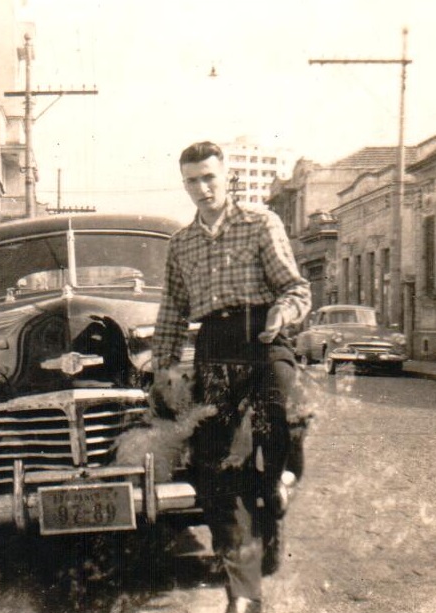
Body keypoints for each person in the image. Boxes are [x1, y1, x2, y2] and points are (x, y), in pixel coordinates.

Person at [151, 141, 311, 613]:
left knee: (284, 411)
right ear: (184, 185)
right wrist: (162, 369)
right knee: (219, 468)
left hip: (263, 337)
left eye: (209, 178)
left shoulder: (262, 223)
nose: (202, 188)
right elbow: (172, 313)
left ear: (226, 178)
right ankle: (243, 595)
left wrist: (282, 313)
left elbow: (295, 288)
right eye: (192, 181)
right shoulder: (181, 244)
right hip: (215, 348)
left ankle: (281, 478)